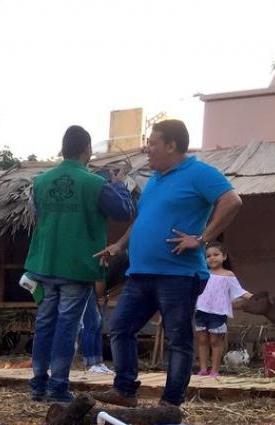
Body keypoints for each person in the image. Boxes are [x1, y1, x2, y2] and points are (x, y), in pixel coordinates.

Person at [95, 119, 243, 408]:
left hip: (178, 274)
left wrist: (201, 238)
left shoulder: (199, 173)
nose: (147, 149)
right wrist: (119, 245)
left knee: (178, 338)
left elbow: (232, 201)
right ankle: (125, 390)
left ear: (171, 145)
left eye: (152, 143)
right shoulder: (155, 180)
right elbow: (142, 220)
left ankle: (170, 402)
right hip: (140, 273)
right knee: (120, 326)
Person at [24, 126, 133, 402]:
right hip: (76, 265)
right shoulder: (95, 183)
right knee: (67, 325)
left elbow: (39, 216)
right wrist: (119, 184)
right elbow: (124, 211)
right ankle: (58, 386)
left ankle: (38, 384)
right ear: (87, 150)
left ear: (63, 149)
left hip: (44, 261)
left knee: (45, 323)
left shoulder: (41, 181)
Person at [194, 243, 250, 378]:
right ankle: (203, 369)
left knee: (215, 341)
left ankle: (214, 370)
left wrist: (256, 297)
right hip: (201, 310)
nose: (212, 258)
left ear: (224, 256)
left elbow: (240, 292)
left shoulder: (228, 275)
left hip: (218, 313)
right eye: (208, 256)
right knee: (202, 340)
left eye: (216, 255)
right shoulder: (202, 273)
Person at [79, 286, 113, 375]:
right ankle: (90, 363)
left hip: (99, 291)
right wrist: (99, 296)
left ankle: (98, 362)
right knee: (91, 325)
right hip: (89, 287)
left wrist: (104, 296)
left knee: (98, 326)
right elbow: (99, 280)